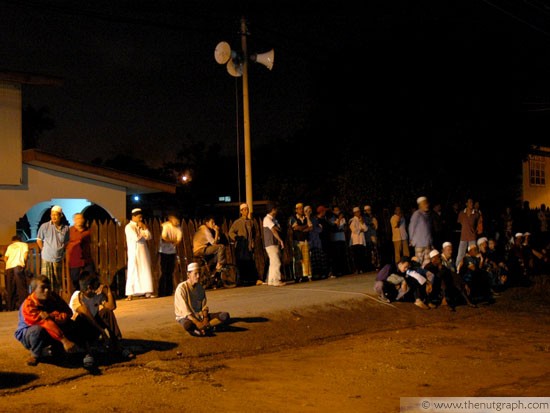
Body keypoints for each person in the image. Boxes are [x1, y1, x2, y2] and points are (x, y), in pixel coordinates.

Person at [69, 271, 135, 366]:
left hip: (93, 329)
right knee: (80, 318)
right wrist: (102, 331)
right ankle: (87, 352)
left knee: (106, 312)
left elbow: (111, 307)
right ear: (89, 287)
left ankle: (118, 345)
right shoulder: (77, 296)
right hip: (80, 333)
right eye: (96, 285)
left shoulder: (96, 295)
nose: (98, 287)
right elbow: (87, 315)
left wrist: (108, 291)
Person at [14, 275, 78, 366]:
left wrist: (55, 316)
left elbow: (68, 312)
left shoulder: (53, 297)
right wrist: (64, 340)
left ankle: (61, 349)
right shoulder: (29, 305)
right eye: (43, 288)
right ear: (34, 290)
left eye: (48, 287)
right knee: (37, 330)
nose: (47, 290)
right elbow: (45, 323)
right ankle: (35, 355)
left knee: (71, 323)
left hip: (51, 329)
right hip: (30, 334)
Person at [174, 262, 230, 336]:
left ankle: (204, 327)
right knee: (188, 325)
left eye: (199, 273)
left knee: (225, 315)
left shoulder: (200, 288)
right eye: (195, 274)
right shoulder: (181, 288)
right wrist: (197, 322)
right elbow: (185, 312)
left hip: (199, 316)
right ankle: (203, 328)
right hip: (186, 317)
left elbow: (204, 307)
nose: (198, 276)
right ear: (188, 274)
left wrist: (205, 318)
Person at [36, 205, 70, 294]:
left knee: (57, 282)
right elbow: (39, 240)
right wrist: (43, 249)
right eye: (52, 215)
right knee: (46, 281)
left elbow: (66, 241)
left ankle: (55, 298)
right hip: (46, 258)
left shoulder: (66, 228)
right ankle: (46, 298)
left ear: (60, 215)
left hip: (58, 258)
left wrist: (61, 250)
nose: (53, 217)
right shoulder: (45, 226)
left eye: (56, 215)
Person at [125, 208, 155, 300]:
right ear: (133, 217)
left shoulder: (142, 226)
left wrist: (144, 228)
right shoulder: (129, 227)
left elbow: (149, 236)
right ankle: (130, 293)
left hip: (143, 251)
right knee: (133, 271)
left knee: (145, 270)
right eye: (139, 217)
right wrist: (143, 234)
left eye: (141, 217)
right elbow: (136, 238)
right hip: (134, 252)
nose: (141, 219)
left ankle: (147, 292)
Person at [228, 203, 262, 286]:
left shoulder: (251, 222)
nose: (246, 211)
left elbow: (254, 233)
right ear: (241, 211)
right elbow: (230, 232)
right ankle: (242, 281)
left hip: (249, 247)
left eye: (247, 209)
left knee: (250, 263)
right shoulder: (238, 222)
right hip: (241, 247)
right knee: (242, 263)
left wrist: (252, 241)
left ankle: (251, 280)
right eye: (245, 210)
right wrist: (237, 238)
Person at [66, 212, 94, 294]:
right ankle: (78, 294)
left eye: (81, 218)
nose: (80, 220)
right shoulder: (70, 231)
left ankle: (88, 294)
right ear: (74, 220)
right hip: (74, 259)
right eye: (77, 219)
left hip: (86, 259)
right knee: (75, 278)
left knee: (90, 276)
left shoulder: (87, 231)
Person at [158, 214, 183, 296]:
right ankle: (163, 291)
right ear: (171, 219)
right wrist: (172, 241)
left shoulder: (178, 227)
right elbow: (164, 238)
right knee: (164, 272)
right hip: (164, 251)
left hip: (171, 252)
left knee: (169, 272)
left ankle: (168, 291)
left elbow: (179, 239)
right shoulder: (166, 226)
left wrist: (174, 242)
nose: (177, 222)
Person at [3, 234, 29, 311]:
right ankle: (23, 307)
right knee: (21, 287)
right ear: (20, 240)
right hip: (18, 265)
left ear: (13, 241)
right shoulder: (24, 244)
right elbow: (25, 256)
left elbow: (5, 258)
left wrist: (8, 263)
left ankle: (10, 307)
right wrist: (24, 264)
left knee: (10, 288)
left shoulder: (10, 246)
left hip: (9, 267)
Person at [263, 202, 286, 286]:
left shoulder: (273, 219)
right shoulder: (267, 219)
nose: (276, 211)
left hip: (273, 243)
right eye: (275, 209)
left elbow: (278, 228)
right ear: (272, 210)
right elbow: (274, 230)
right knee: (276, 262)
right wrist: (280, 240)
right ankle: (276, 280)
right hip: (271, 243)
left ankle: (271, 280)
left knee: (273, 263)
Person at [408, 196, 433, 266]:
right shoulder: (416, 214)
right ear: (420, 205)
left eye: (427, 203)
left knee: (427, 263)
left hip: (427, 243)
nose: (427, 205)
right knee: (419, 262)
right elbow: (411, 227)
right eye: (424, 204)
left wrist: (430, 241)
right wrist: (411, 239)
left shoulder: (427, 214)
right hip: (419, 244)